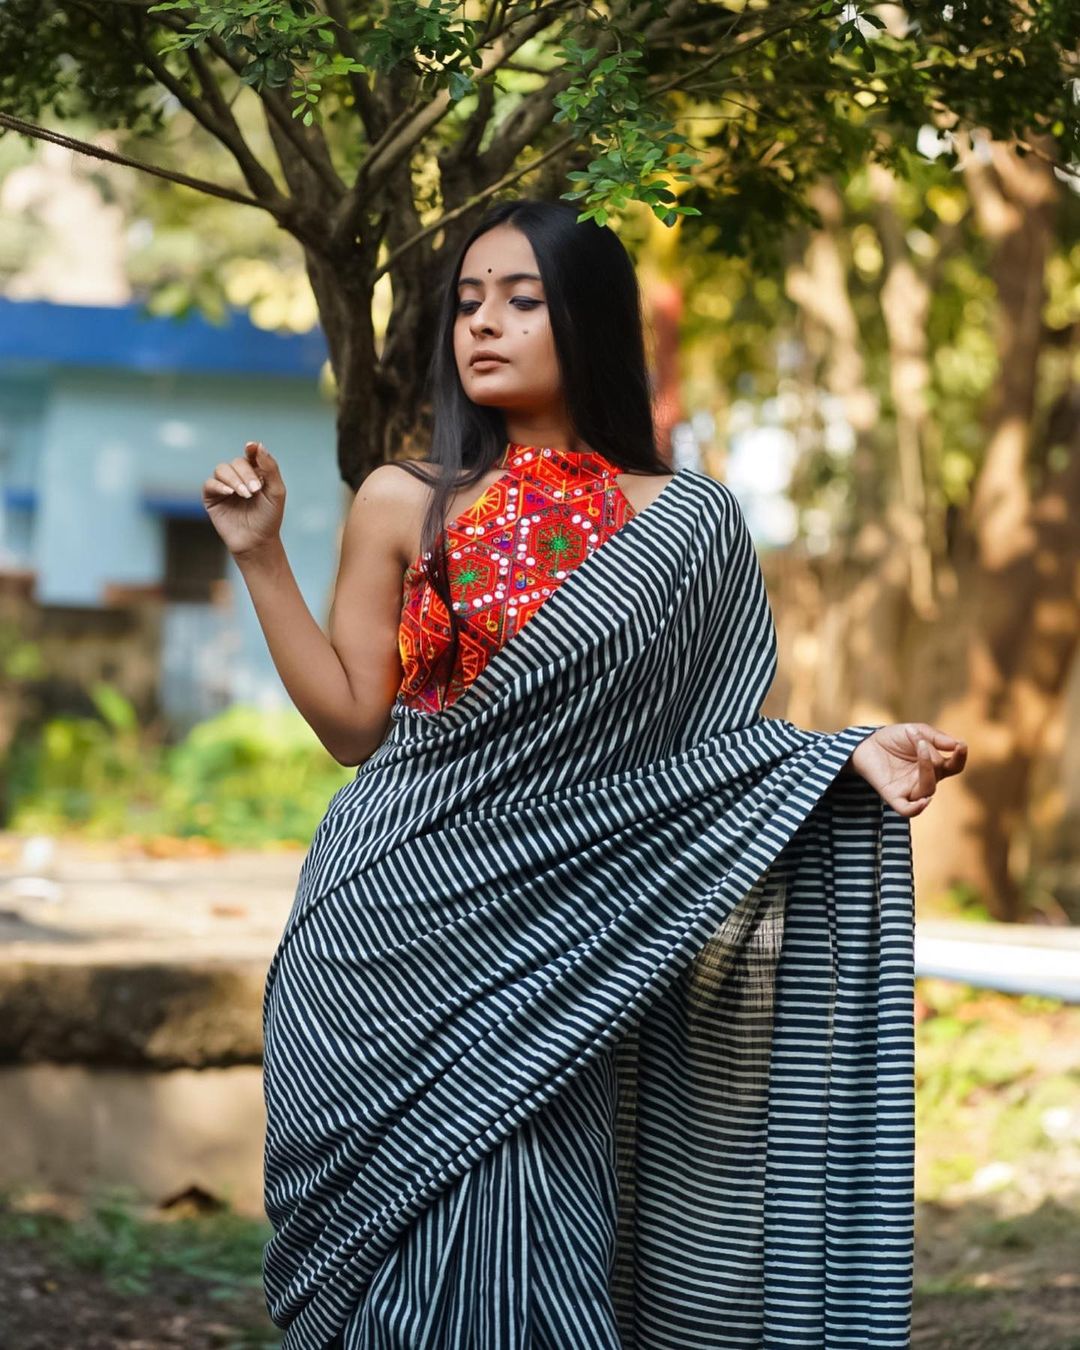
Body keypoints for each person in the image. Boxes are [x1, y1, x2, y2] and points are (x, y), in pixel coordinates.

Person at [203, 197, 967, 1349]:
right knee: (381, 1278)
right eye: (467, 302)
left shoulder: (690, 522)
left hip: (563, 952)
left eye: (522, 299)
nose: (484, 325)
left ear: (590, 319)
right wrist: (261, 557)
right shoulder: (403, 501)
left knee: (536, 1238)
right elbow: (355, 726)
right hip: (380, 929)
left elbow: (714, 753)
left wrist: (841, 757)